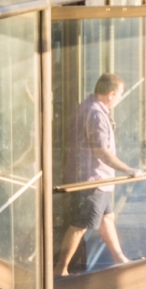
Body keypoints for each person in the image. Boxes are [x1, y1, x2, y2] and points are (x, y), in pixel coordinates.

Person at [54, 73, 138, 277]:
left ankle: (120, 260)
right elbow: (101, 150)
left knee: (107, 219)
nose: (119, 99)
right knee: (80, 225)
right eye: (119, 95)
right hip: (93, 181)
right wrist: (127, 169)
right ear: (111, 94)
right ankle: (60, 269)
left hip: (100, 180)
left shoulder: (90, 107)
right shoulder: (96, 114)